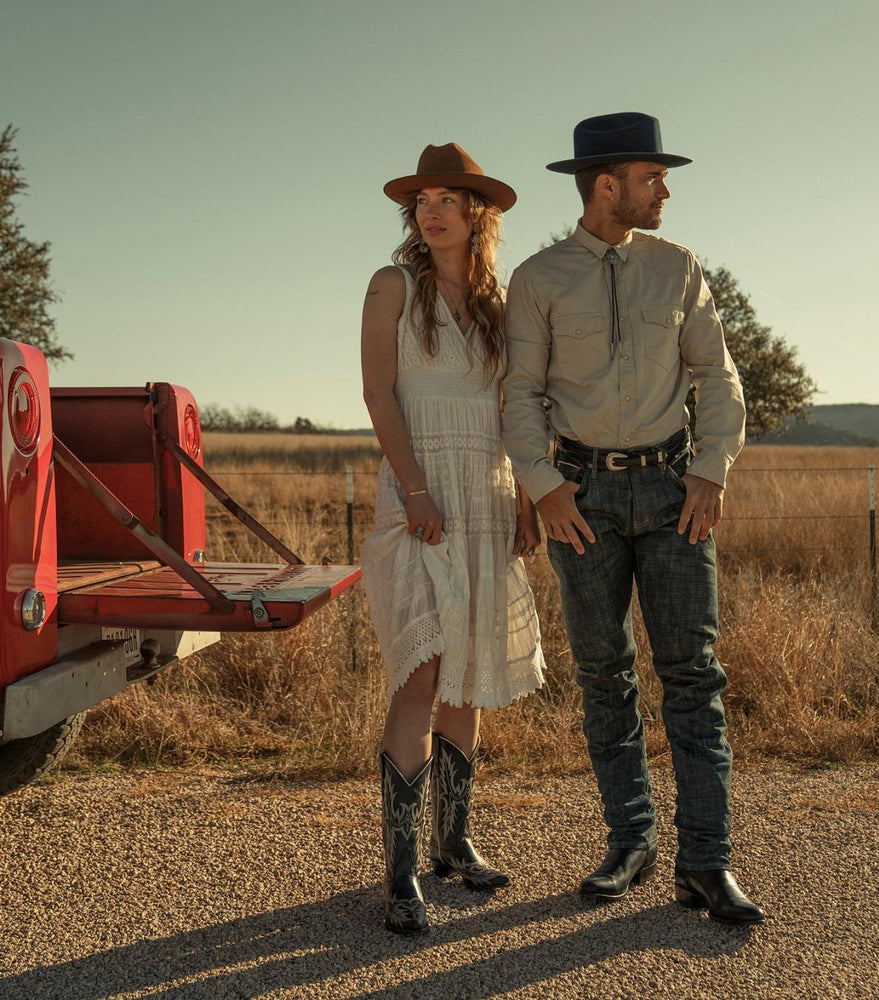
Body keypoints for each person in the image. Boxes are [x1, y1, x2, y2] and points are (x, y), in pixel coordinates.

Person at [502, 112, 763, 923]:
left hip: (673, 493)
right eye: (653, 178)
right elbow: (520, 393)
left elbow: (718, 375)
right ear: (607, 185)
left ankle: (707, 863)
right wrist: (543, 485)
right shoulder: (539, 279)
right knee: (604, 677)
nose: (665, 191)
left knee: (693, 677)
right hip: (581, 501)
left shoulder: (678, 268)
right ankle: (630, 842)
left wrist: (710, 470)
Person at [360, 142, 545, 935]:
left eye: (447, 200)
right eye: (422, 201)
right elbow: (378, 393)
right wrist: (415, 489)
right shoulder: (392, 286)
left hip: (486, 496)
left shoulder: (499, 304)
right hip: (420, 495)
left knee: (466, 673)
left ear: (478, 214)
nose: (431, 212)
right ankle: (401, 870)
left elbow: (514, 411)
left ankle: (453, 842)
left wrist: (528, 498)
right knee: (421, 673)